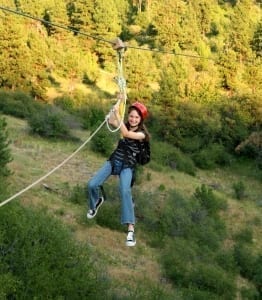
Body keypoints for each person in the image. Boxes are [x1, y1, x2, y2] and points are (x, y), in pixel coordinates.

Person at [86, 101, 150, 247]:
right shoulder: (125, 125)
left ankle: (131, 230)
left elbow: (126, 134)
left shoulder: (142, 134)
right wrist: (117, 105)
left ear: (141, 120)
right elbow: (110, 121)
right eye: (131, 116)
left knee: (124, 190)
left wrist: (117, 117)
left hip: (127, 166)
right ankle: (96, 201)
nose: (133, 119)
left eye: (136, 118)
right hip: (114, 161)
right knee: (92, 185)